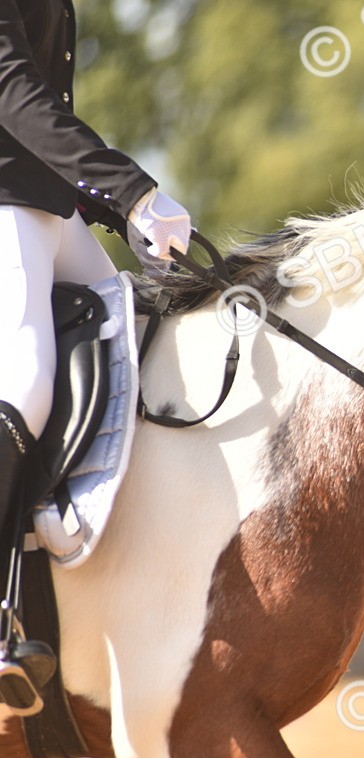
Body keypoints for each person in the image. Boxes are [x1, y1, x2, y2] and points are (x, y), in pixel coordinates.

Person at [0, 0, 192, 716]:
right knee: (26, 382)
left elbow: (42, 116)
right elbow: (12, 92)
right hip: (3, 205)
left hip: (45, 207)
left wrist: (122, 211)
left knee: (136, 338)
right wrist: (132, 191)